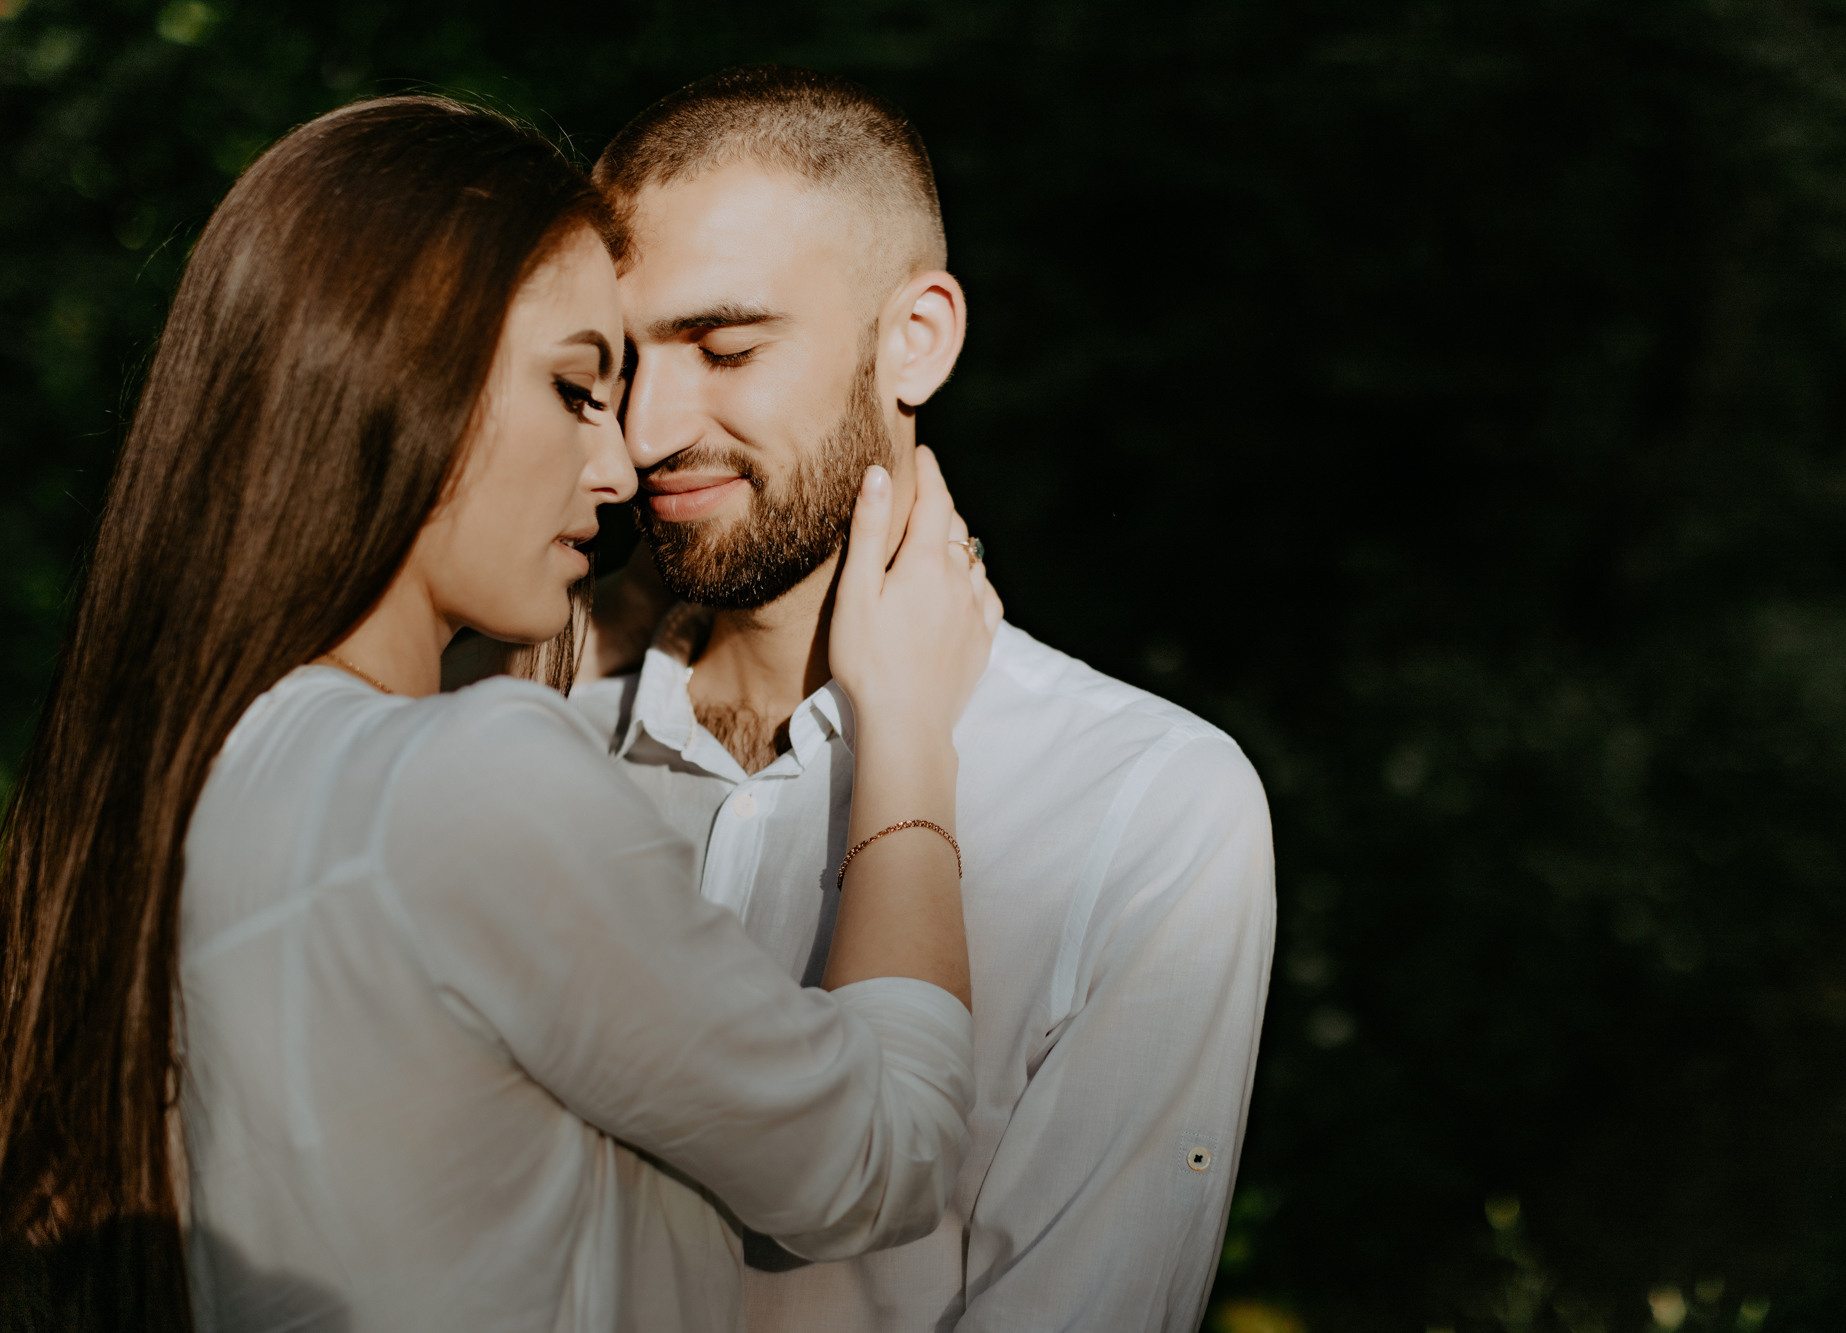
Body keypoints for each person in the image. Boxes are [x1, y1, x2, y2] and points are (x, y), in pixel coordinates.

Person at [0, 95, 1001, 1332]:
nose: (626, 464)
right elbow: (880, 1162)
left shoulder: (194, 775)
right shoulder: (470, 777)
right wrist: (904, 737)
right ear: (401, 376)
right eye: (581, 388)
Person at [576, 66, 1277, 1330]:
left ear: (917, 341)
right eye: (622, 359)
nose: (644, 428)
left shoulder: (1142, 804)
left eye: (725, 346)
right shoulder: (525, 736)